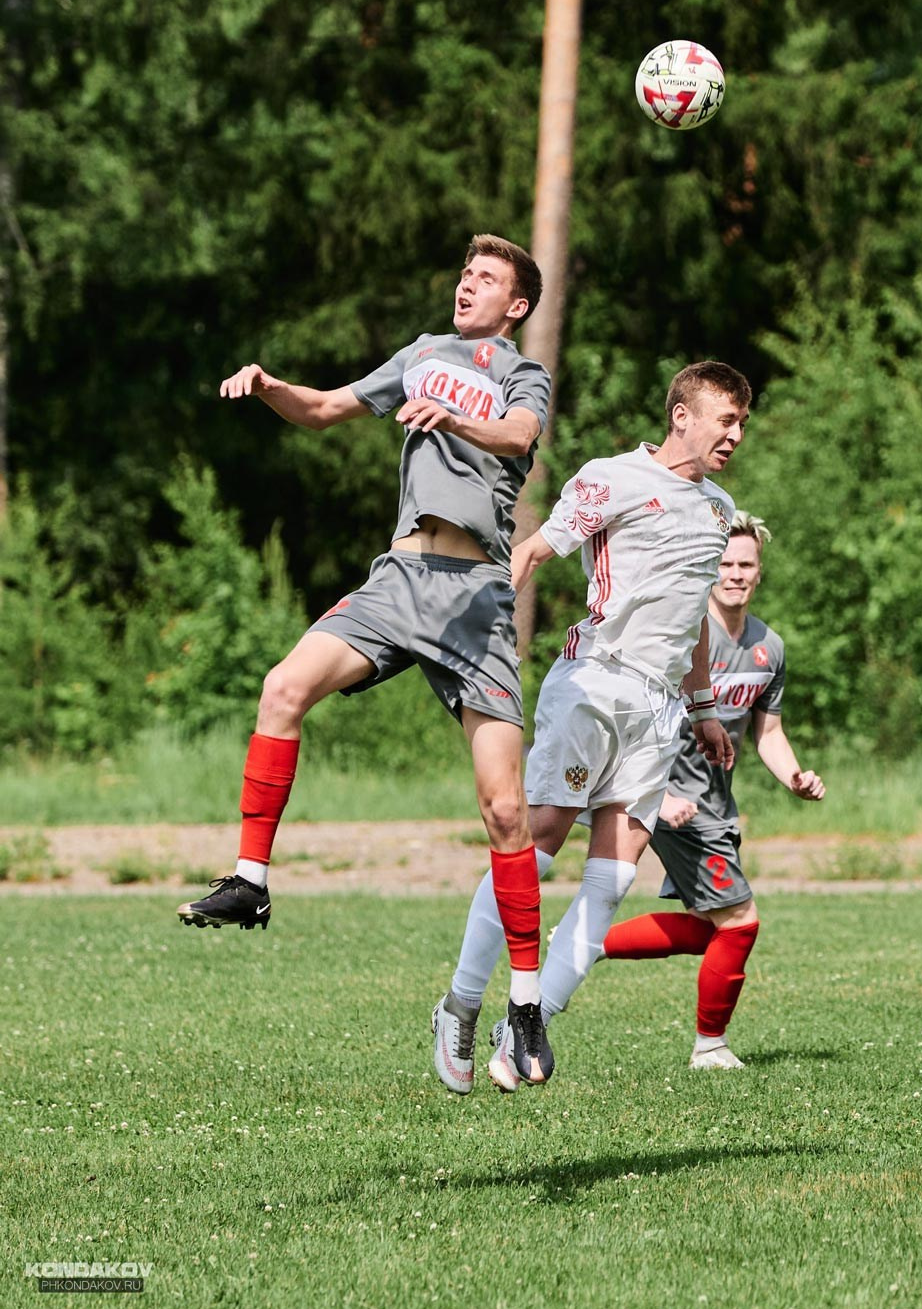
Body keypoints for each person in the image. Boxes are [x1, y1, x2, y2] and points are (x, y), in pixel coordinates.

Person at [177, 234, 555, 1083]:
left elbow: (516, 432)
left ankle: (524, 1006)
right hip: (399, 580)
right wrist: (271, 387)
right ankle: (250, 879)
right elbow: (321, 409)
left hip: (475, 600)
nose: (468, 285)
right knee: (282, 689)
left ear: (516, 305)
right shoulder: (421, 355)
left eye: (487, 279)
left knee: (503, 811)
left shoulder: (520, 373)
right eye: (464, 273)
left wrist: (454, 416)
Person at [431, 360, 751, 1096]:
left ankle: (528, 1023)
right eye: (722, 419)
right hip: (596, 686)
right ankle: (462, 1001)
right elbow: (535, 551)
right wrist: (476, 634)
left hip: (659, 710)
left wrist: (702, 711)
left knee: (611, 880)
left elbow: (690, 622)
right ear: (681, 416)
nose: (733, 435)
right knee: (539, 845)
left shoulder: (717, 508)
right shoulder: (613, 478)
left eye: (740, 423)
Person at [601, 511, 825, 1070]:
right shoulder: (678, 636)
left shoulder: (768, 647)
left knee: (710, 929)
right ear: (708, 569)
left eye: (745, 564)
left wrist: (795, 776)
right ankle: (710, 1046)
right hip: (677, 802)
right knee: (740, 921)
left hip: (717, 804)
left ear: (759, 571)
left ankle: (583, 944)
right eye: (724, 563)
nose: (734, 573)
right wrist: (657, 796)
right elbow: (633, 719)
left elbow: (768, 732)